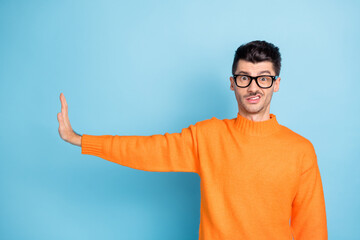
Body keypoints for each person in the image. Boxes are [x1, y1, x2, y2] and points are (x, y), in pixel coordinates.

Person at [57, 40, 328, 239]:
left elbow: (312, 230)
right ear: (232, 83)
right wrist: (79, 139)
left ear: (276, 83)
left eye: (264, 78)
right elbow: (147, 150)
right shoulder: (208, 136)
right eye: (245, 77)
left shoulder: (300, 150)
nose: (253, 87)